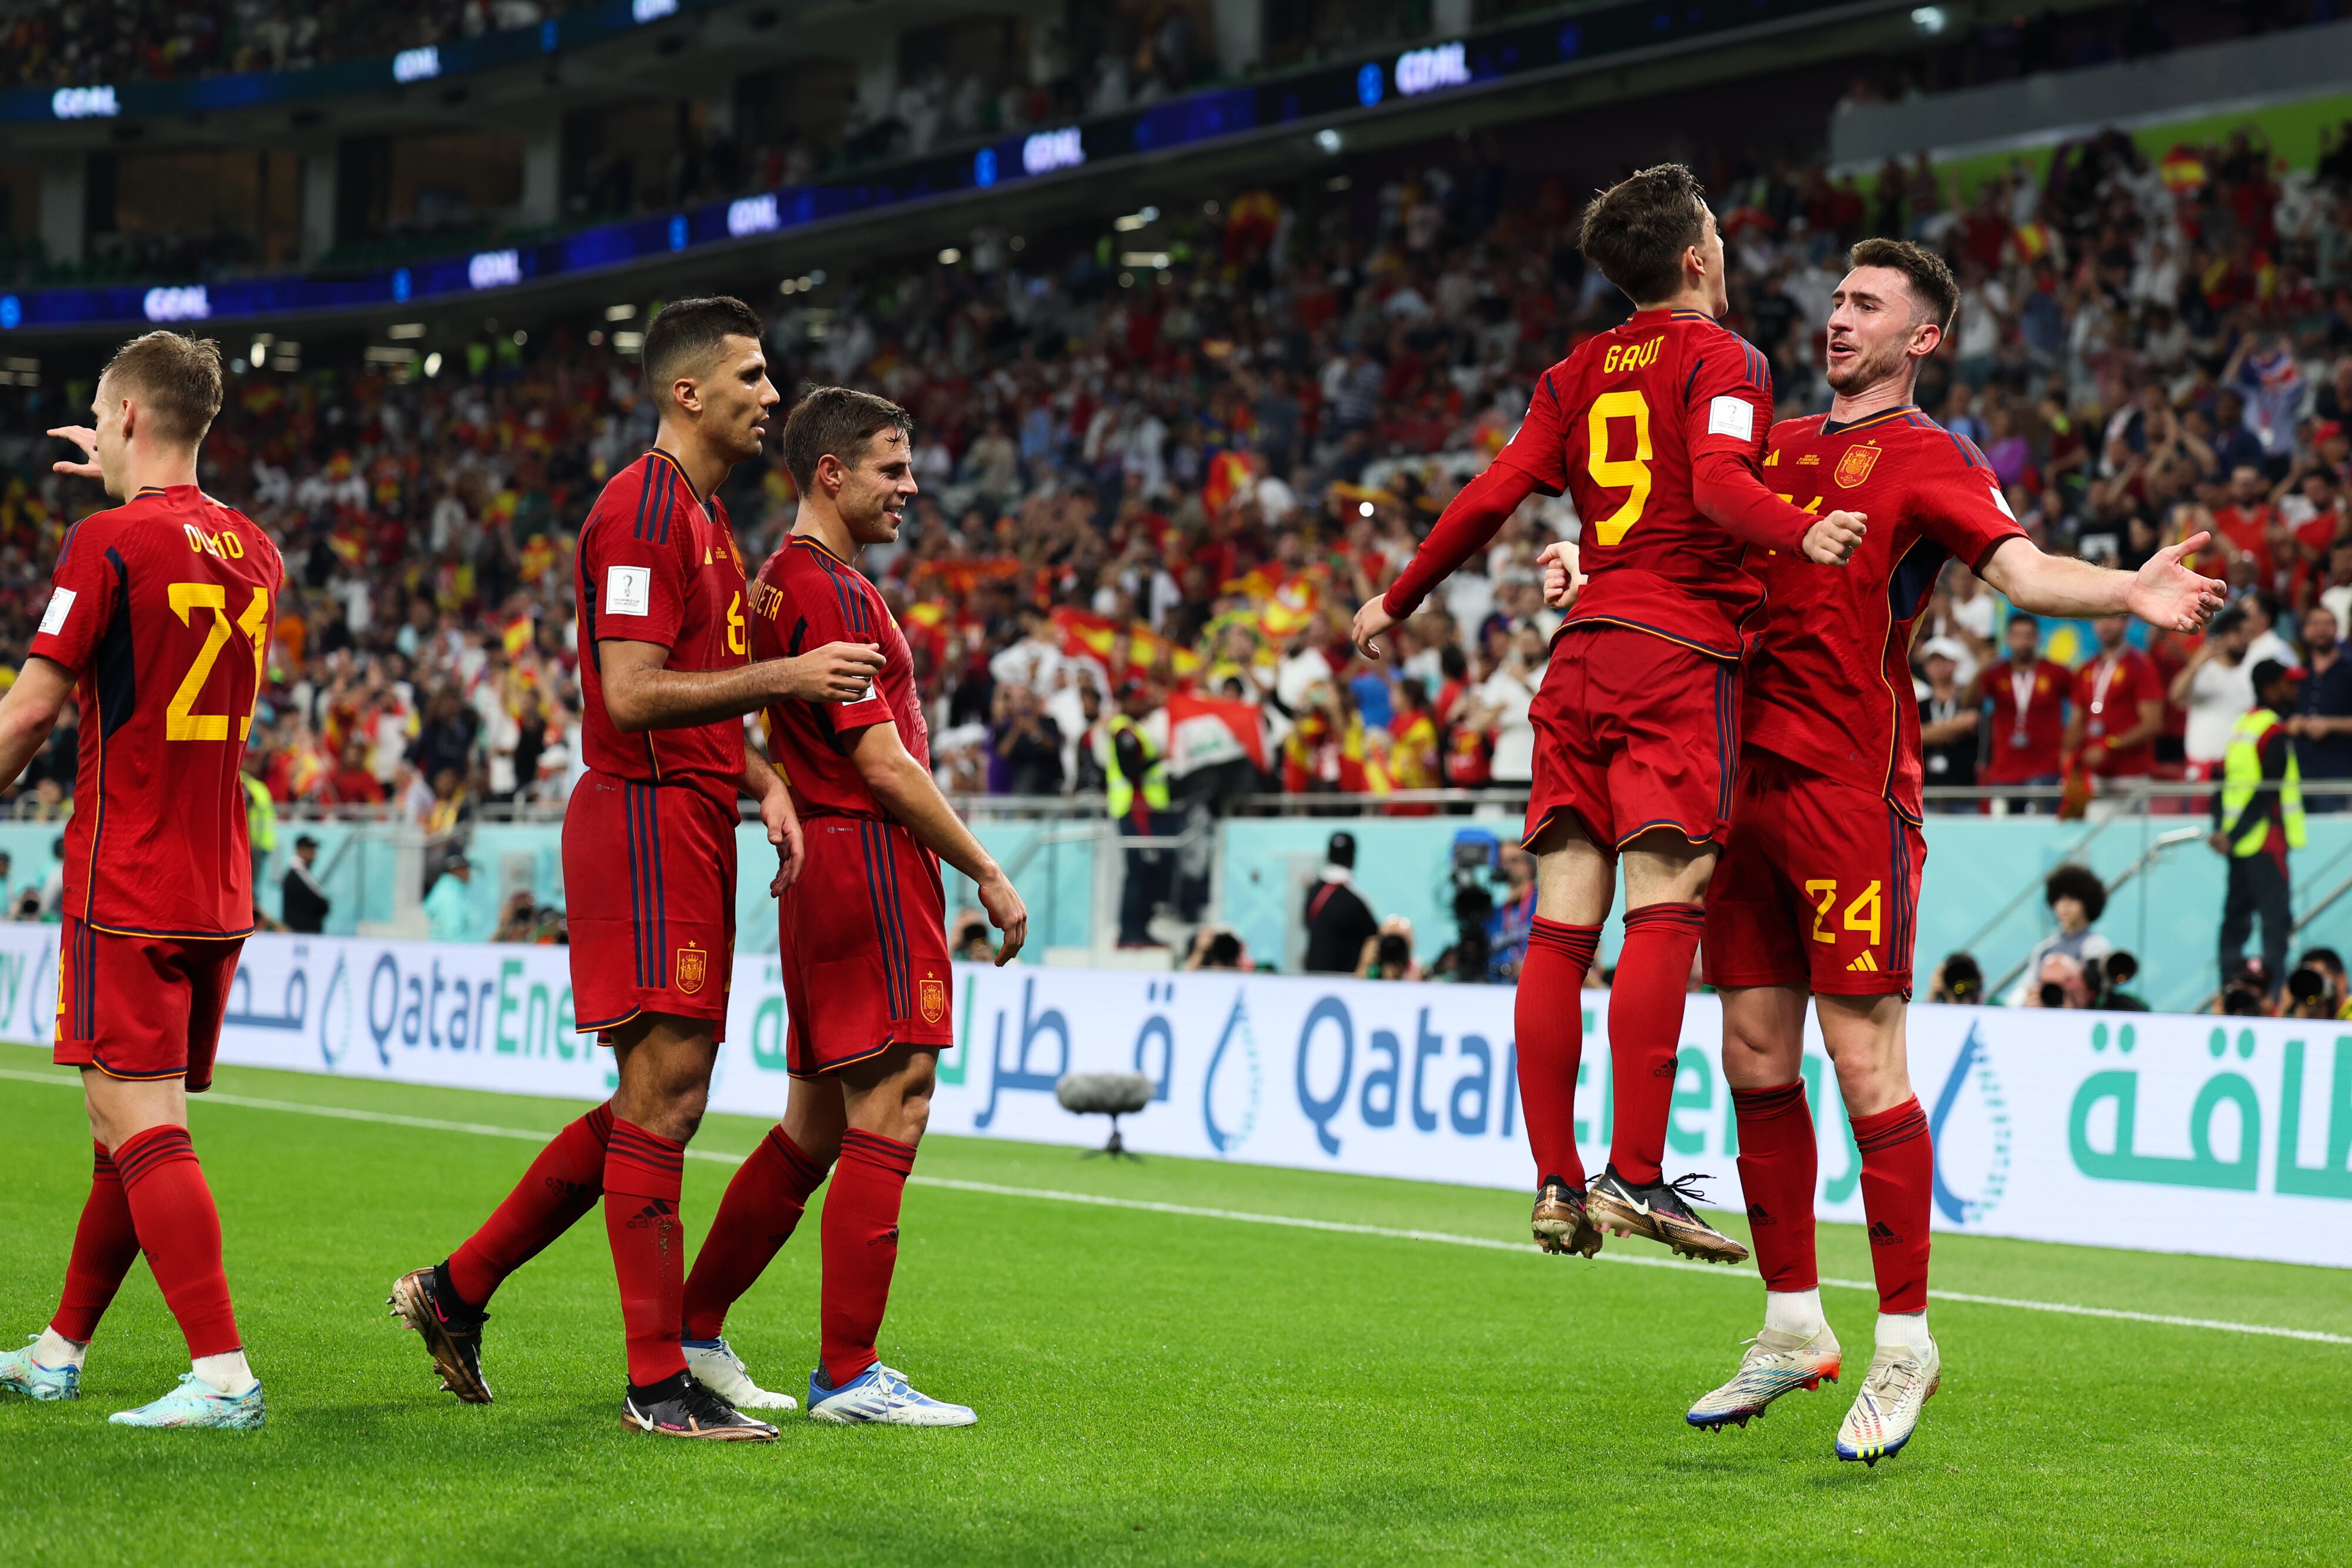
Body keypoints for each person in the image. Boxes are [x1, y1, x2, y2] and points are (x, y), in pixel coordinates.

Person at [1682, 239, 2220, 1465]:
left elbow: (2022, 572)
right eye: (1832, 298)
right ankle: (1789, 1323)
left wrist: (2123, 593)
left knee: (1862, 1061)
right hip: (1739, 790)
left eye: (1864, 304)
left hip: (1846, 792)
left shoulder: (1931, 458)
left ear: (1920, 338)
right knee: (1752, 1056)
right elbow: (1691, 553)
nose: (1835, 317)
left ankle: (1906, 1339)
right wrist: (1583, 567)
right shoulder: (1766, 447)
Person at [389, 298, 886, 1441]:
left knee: (653, 1099)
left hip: (695, 815)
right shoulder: (641, 509)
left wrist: (760, 774)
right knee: (663, 1098)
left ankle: (454, 1289)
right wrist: (788, 679)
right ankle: (656, 1383)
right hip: (642, 820)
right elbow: (627, 691)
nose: (773, 395)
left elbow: (696, 682)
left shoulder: (703, 519)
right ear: (689, 393)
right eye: (753, 377)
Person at [1352, 163, 1865, 1268]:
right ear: (1695, 258)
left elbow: (1491, 495)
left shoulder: (1574, 372)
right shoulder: (1726, 358)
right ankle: (1635, 1173)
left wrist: (1397, 597)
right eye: (1719, 234)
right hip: (1675, 658)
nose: (1726, 248)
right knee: (1664, 910)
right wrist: (1798, 530)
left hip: (1577, 660)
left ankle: (1553, 1179)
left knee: (1557, 929)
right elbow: (1726, 489)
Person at [677, 385, 1026, 1426]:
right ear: (831, 472)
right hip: (868, 859)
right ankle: (850, 1372)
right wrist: (983, 867)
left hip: (822, 867)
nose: (910, 486)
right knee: (900, 1096)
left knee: (814, 1126)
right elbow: (882, 761)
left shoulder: (778, 583)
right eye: (892, 466)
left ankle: (694, 1330)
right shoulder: (828, 589)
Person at [0, 332, 285, 1428]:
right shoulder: (254, 548)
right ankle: (59, 1348)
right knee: (118, 1131)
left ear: (125, 417)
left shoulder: (103, 543)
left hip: (126, 873)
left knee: (141, 1119)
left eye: (103, 414)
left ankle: (222, 1374)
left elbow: (30, 710)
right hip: (214, 883)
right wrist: (126, 466)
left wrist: (114, 507)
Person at [2211, 659, 2304, 1004]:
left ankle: (2228, 995)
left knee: (2235, 922)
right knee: (2275, 923)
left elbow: (2220, 783)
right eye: (2287, 684)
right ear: (2270, 689)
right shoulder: (2273, 732)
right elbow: (2267, 791)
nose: (2293, 690)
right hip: (2266, 842)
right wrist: (2230, 835)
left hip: (2239, 846)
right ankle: (2274, 999)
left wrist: (2222, 831)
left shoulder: (2243, 727)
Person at [2064, 614, 2164, 803]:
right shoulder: (2086, 669)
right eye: (2100, 619)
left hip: (2131, 776)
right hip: (2093, 776)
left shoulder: (2141, 666)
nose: (2105, 625)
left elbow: (2153, 724)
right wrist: (2069, 754)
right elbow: (2076, 724)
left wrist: (2109, 745)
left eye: (2112, 619)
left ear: (2126, 623)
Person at [1979, 614, 2070, 811]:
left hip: (2045, 769)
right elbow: (1969, 702)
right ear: (2008, 639)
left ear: (2038, 639)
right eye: (2017, 636)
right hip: (2004, 769)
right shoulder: (1995, 674)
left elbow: (2081, 705)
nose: (2023, 642)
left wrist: (2069, 744)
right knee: (2000, 832)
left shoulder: (2056, 673)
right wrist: (1981, 669)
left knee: (2039, 830)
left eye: (2028, 636)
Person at [1106, 677, 1172, 945]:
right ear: (1124, 701)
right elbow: (1129, 770)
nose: (1142, 702)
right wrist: (1159, 759)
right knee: (1137, 871)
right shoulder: (1124, 731)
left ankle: (1140, 931)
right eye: (1136, 698)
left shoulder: (1136, 729)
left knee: (1145, 871)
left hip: (1145, 809)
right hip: (1133, 808)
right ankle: (1130, 933)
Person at [2006, 864, 2118, 1006]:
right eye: (2059, 900)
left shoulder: (2096, 945)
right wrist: (2027, 1000)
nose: (2064, 906)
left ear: (2086, 903)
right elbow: (2023, 989)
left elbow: (2100, 988)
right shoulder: (2045, 949)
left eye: (2071, 900)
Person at [2171, 604, 2255, 783]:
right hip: (2200, 767)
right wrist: (2195, 664)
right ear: (2222, 635)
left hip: (2239, 768)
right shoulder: (2203, 671)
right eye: (2237, 632)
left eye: (2248, 633)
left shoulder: (2252, 673)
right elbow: (2175, 697)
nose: (2244, 639)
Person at [2290, 604, 2352, 807]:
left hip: (2339, 773)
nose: (2321, 630)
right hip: (2299, 772)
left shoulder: (2348, 671)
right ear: (2305, 630)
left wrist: (2330, 725)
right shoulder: (2297, 673)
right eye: (2315, 624)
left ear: (2337, 630)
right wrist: (2293, 723)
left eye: (2328, 624)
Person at [1301, 830, 1378, 974]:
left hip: (1312, 976)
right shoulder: (1356, 900)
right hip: (1344, 981)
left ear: (1329, 855)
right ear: (1353, 858)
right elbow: (1374, 938)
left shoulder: (1313, 893)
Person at [1914, 637, 1979, 803]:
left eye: (1944, 661)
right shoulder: (1918, 704)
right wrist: (1956, 727)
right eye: (1933, 661)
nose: (1939, 666)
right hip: (1924, 794)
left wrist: (1929, 733)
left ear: (1955, 663)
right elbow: (1912, 738)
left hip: (1965, 793)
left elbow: (1972, 721)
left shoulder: (1967, 700)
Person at [423, 850, 480, 942]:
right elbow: (454, 935)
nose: (470, 874)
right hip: (450, 954)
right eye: (466, 869)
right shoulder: (449, 895)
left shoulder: (450, 891)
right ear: (455, 870)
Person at [280, 834, 330, 934]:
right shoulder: (295, 875)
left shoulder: (304, 874)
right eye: (310, 848)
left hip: (306, 933)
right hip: (300, 934)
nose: (314, 852)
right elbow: (319, 903)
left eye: (314, 849)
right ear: (299, 850)